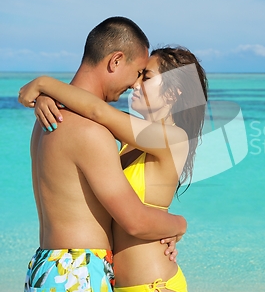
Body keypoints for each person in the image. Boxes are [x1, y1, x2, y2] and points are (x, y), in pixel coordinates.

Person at [19, 46, 208, 292]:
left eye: (146, 77)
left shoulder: (174, 138)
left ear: (173, 92)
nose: (134, 84)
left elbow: (97, 110)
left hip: (154, 285)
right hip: (111, 282)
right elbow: (89, 110)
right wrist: (48, 100)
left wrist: (45, 84)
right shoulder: (130, 140)